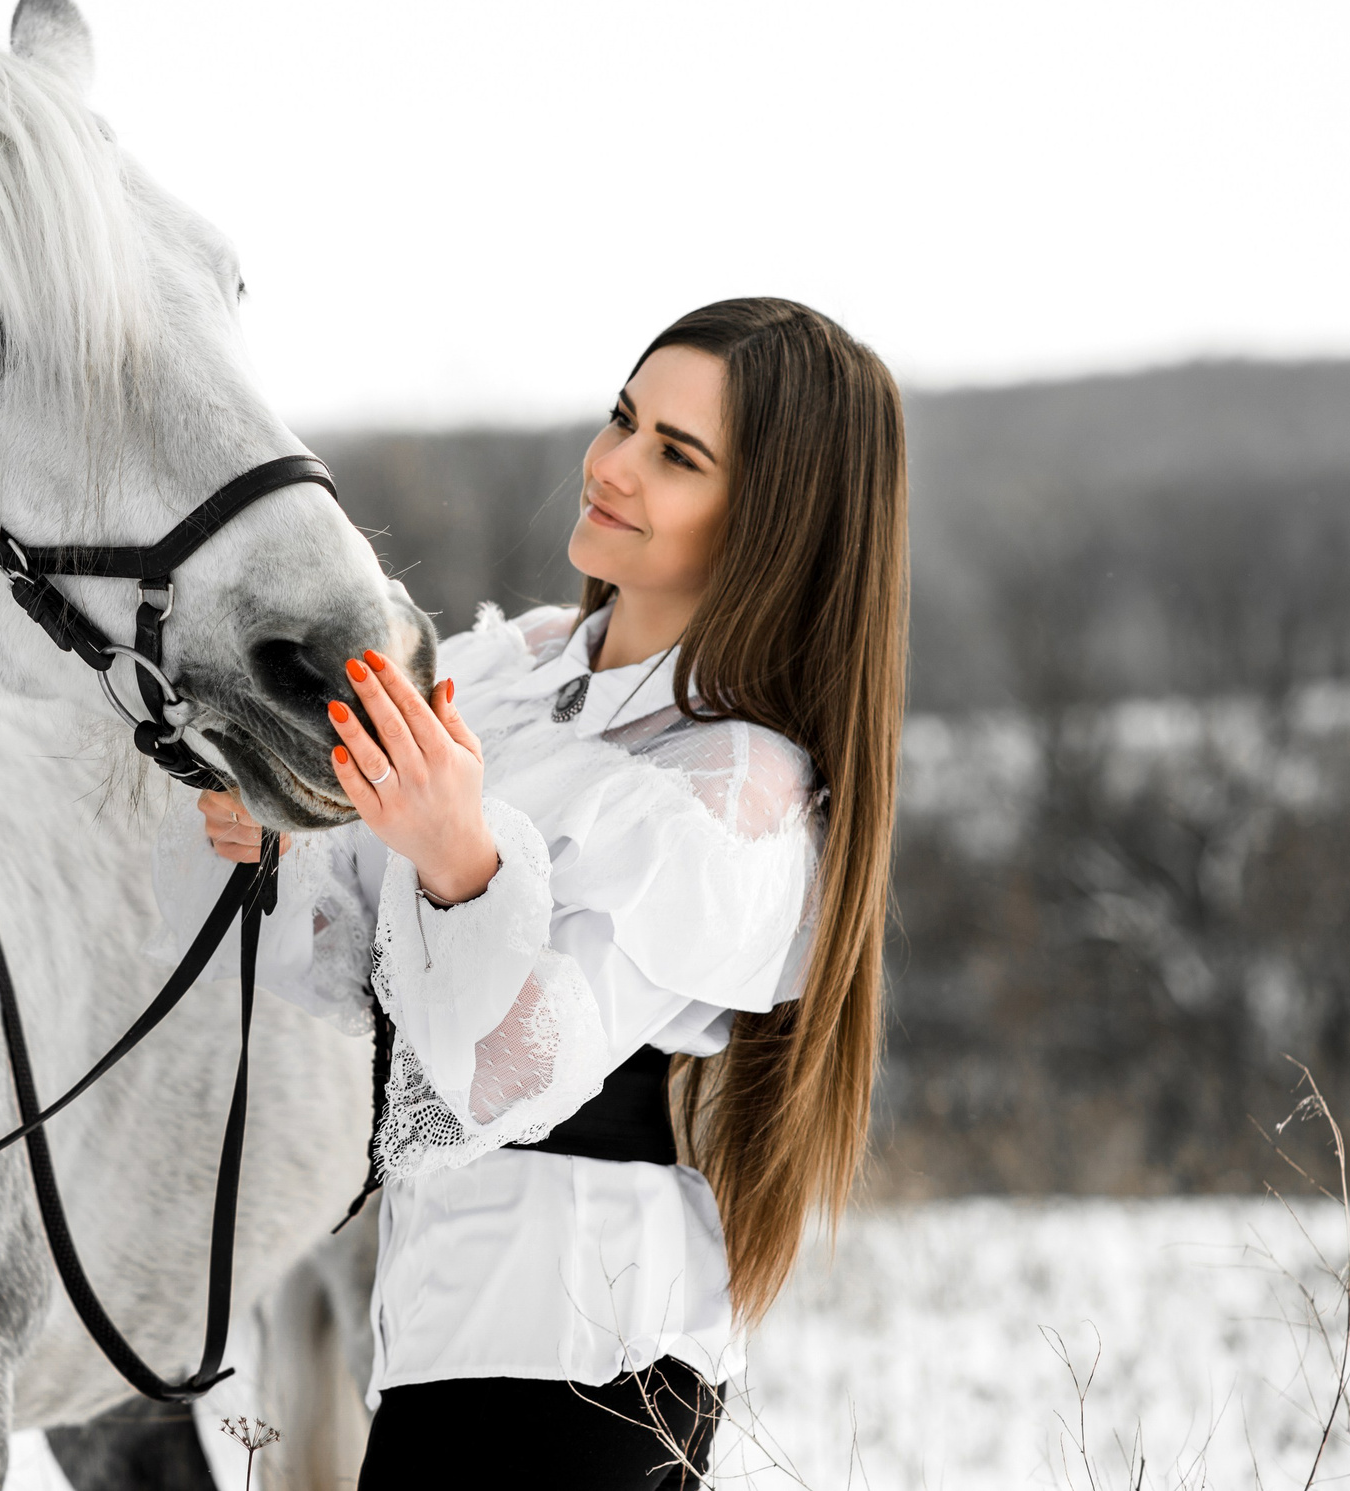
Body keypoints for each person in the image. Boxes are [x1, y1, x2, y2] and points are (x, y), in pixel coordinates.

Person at [154, 297, 909, 1489]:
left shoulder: (732, 786)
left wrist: (458, 856)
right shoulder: (515, 673)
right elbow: (362, 965)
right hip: (434, 1324)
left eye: (676, 453)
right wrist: (284, 840)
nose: (610, 465)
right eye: (623, 417)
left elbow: (501, 1074)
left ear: (768, 517)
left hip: (582, 1367)